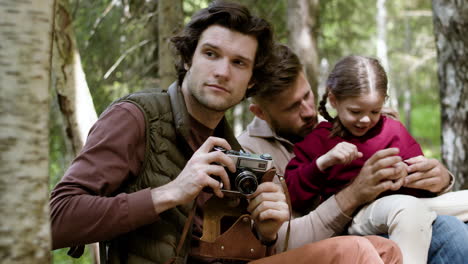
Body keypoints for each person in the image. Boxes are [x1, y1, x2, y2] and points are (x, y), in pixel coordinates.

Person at [49, 2, 402, 264]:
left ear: (251, 81)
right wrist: (170, 193)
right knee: (353, 252)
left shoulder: (229, 145)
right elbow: (54, 219)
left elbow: (224, 247)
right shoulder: (137, 118)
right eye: (211, 54)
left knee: (384, 250)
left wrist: (265, 230)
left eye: (238, 63)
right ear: (188, 58)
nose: (221, 71)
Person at [238, 45, 468, 264]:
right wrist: (352, 190)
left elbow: (413, 172)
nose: (308, 112)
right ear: (260, 113)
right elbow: (273, 241)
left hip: (399, 214)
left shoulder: (348, 120)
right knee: (449, 231)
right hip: (342, 240)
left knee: (453, 225)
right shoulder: (248, 153)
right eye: (292, 107)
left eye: (307, 95)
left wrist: (440, 180)